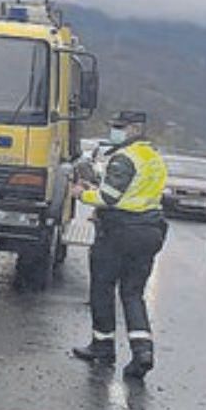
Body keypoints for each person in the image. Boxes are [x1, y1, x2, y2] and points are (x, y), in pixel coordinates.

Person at [70, 110, 168, 380]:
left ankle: (102, 347)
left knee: (102, 287)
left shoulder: (125, 157)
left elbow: (110, 197)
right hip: (150, 231)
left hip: (119, 232)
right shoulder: (154, 157)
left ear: (134, 129)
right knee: (133, 293)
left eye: (119, 127)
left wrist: (82, 193)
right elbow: (137, 194)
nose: (115, 131)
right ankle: (142, 352)